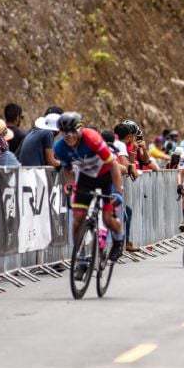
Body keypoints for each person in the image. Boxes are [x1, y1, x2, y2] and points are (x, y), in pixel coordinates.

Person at [54, 112, 124, 277]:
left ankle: (118, 239)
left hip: (105, 177)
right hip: (86, 179)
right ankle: (79, 258)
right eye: (65, 133)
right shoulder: (59, 147)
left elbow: (113, 165)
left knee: (107, 218)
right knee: (77, 220)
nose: (69, 136)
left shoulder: (92, 139)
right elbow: (68, 168)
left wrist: (118, 190)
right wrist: (70, 185)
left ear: (80, 129)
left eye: (72, 131)